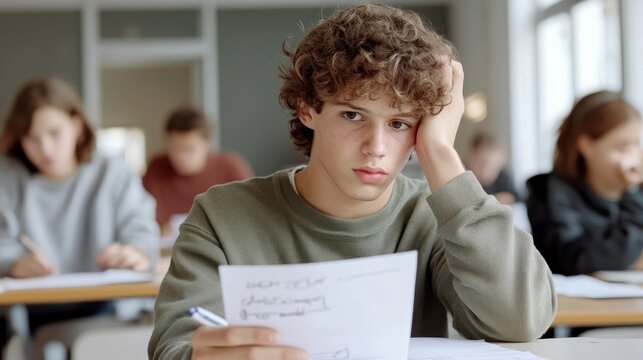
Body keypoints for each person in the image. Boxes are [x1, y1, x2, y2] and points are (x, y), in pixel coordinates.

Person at [149, 5, 555, 359]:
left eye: (399, 124)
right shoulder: (221, 215)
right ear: (307, 108)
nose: (376, 147)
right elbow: (174, 345)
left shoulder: (433, 218)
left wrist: (441, 154)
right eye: (352, 116)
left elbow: (519, 321)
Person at [0, 78, 159, 352]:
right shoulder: (7, 177)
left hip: (108, 310)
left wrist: (136, 251)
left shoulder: (113, 173)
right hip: (29, 314)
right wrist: (14, 263)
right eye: (31, 138)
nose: (45, 148)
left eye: (54, 133)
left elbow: (141, 228)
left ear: (76, 125)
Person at [526, 90, 643, 276]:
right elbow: (574, 260)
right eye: (621, 147)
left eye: (637, 144)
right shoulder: (550, 191)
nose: (633, 157)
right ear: (587, 146)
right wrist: (632, 192)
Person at [143, 105, 253, 237]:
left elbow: (250, 218)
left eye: (189, 149)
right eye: (174, 148)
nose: (180, 156)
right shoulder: (156, 167)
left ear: (207, 144)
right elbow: (142, 218)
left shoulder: (231, 167)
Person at [466, 131, 520, 205]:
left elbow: (515, 197)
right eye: (481, 164)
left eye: (493, 168)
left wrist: (501, 199)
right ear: (471, 157)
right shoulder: (463, 179)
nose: (486, 171)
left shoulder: (503, 177)